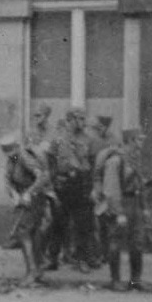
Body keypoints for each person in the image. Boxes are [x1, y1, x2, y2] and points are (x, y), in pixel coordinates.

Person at [94, 128, 149, 291]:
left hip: (135, 203)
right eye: (139, 140)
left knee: (137, 243)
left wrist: (144, 207)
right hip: (120, 203)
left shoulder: (135, 158)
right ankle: (115, 280)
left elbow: (140, 184)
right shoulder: (116, 161)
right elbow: (111, 189)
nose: (141, 143)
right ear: (130, 141)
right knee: (115, 243)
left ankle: (135, 281)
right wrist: (118, 213)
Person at [0, 131, 51, 287]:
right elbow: (8, 179)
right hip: (22, 199)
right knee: (30, 233)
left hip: (35, 199)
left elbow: (41, 176)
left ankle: (32, 271)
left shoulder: (24, 157)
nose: (10, 155)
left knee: (24, 233)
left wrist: (29, 193)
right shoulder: (12, 159)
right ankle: (36, 270)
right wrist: (14, 194)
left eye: (11, 151)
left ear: (16, 147)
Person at [50, 108, 96, 271]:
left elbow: (93, 165)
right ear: (70, 120)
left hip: (81, 185)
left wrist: (93, 188)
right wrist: (52, 184)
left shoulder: (89, 140)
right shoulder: (57, 140)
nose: (83, 123)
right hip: (62, 185)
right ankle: (53, 259)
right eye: (80, 119)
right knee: (57, 223)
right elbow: (51, 164)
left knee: (82, 225)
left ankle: (81, 259)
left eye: (84, 119)